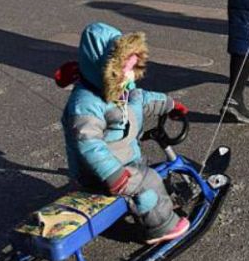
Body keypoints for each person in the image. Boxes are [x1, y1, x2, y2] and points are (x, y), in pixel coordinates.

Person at [54, 22, 190, 244]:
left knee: (144, 172)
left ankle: (150, 207)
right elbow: (88, 143)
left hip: (126, 157)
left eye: (132, 69)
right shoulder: (86, 104)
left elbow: (141, 99)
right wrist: (112, 173)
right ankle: (161, 226)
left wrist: (169, 104)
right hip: (99, 172)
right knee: (149, 181)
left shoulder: (123, 88)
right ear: (105, 67)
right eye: (126, 69)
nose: (131, 76)